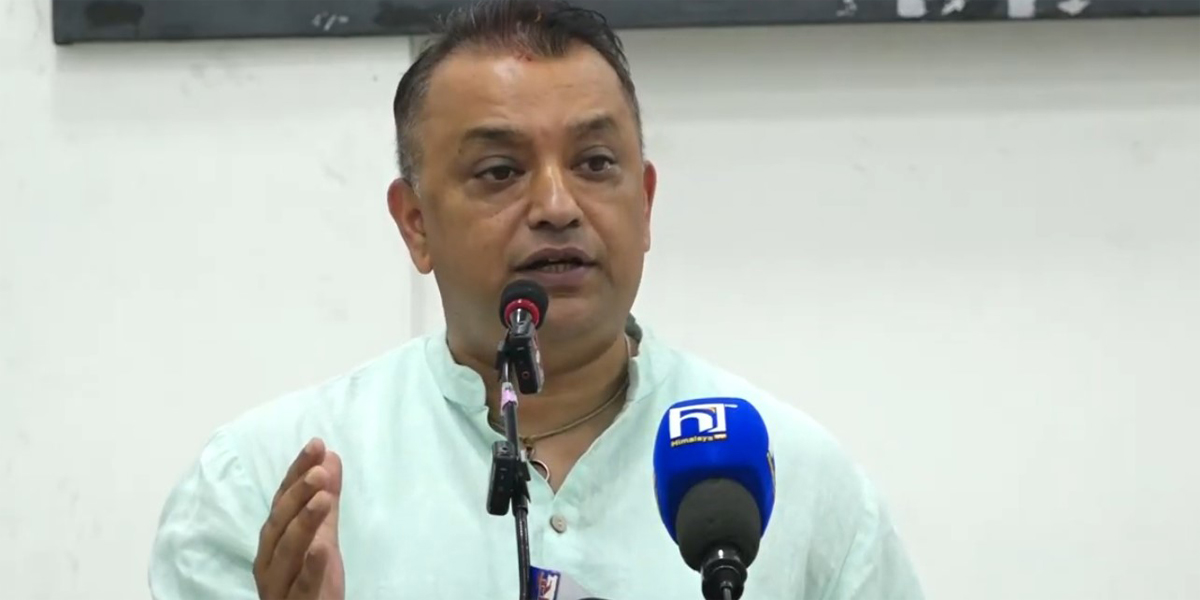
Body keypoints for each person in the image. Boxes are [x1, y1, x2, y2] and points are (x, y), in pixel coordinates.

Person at [148, 0, 925, 598]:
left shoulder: (800, 481)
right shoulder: (264, 488)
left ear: (645, 202)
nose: (557, 205)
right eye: (500, 171)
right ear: (415, 224)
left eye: (595, 163)